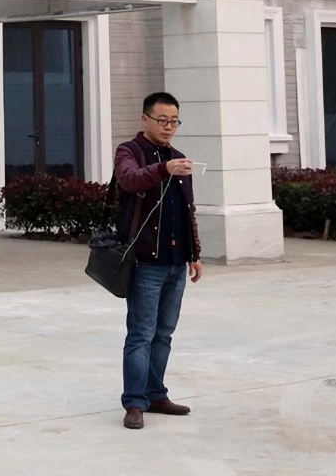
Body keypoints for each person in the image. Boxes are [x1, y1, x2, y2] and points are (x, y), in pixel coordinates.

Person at [113, 90, 202, 430]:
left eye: (174, 121)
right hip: (145, 262)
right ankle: (134, 402)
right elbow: (128, 180)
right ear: (145, 119)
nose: (168, 127)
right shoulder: (130, 152)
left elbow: (187, 211)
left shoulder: (178, 157)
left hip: (175, 262)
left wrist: (194, 254)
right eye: (162, 121)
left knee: (164, 333)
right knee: (141, 333)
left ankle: (155, 394)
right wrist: (163, 169)